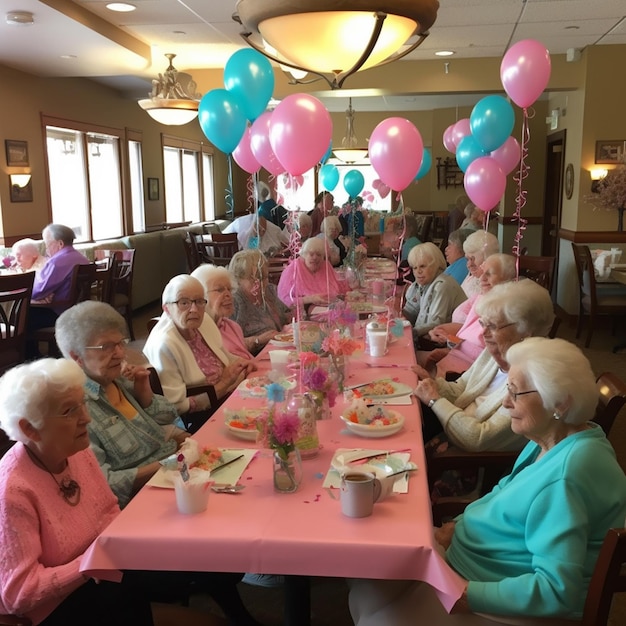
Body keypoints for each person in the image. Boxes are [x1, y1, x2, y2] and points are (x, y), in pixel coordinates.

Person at [349, 337, 626, 626]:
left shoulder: (565, 477)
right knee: (366, 581)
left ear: (560, 402)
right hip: (472, 562)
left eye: (516, 393)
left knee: (375, 610)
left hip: (500, 598)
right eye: (508, 388)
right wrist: (455, 526)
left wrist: (468, 595)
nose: (506, 402)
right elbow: (502, 492)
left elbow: (556, 591)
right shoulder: (555, 438)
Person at [0, 358, 266, 626]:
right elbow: (20, 593)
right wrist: (92, 562)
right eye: (69, 410)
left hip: (108, 570)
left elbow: (108, 510)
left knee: (205, 553)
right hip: (64, 604)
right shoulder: (13, 490)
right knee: (177, 571)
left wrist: (136, 544)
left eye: (83, 403)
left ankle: (239, 615)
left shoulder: (77, 451)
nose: (87, 418)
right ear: (29, 428)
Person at [55, 301, 188, 508]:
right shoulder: (77, 410)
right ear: (76, 356)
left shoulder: (120, 380)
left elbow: (168, 417)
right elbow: (105, 483)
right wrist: (171, 463)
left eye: (120, 343)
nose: (119, 353)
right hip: (144, 500)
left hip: (175, 475)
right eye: (106, 346)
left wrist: (144, 390)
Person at [413, 279, 555, 450]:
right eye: (483, 323)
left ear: (525, 332)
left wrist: (435, 400)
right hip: (448, 431)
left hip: (470, 463)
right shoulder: (495, 352)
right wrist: (432, 383)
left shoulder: (532, 382)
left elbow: (479, 438)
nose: (483, 333)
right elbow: (462, 389)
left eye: (493, 326)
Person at [143, 275, 253, 415]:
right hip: (207, 416)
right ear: (167, 309)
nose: (194, 309)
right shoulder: (164, 345)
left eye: (199, 301)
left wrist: (241, 363)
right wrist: (223, 384)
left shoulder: (204, 321)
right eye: (184, 303)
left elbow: (224, 356)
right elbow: (177, 406)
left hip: (232, 396)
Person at [423, 253, 517, 377]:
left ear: (508, 279)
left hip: (466, 375)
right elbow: (467, 331)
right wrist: (446, 338)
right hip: (451, 360)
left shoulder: (508, 312)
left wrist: (450, 346)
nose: (482, 278)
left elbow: (489, 358)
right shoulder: (481, 297)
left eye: (489, 274)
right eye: (482, 272)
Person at [28, 223, 90, 330]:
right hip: (79, 310)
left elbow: (38, 292)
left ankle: (29, 347)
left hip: (60, 313)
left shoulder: (56, 262)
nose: (46, 249)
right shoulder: (83, 259)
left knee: (21, 315)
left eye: (47, 244)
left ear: (60, 243)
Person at [230, 249, 291, 355]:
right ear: (238, 279)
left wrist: (292, 319)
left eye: (263, 278)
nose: (260, 283)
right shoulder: (235, 302)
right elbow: (230, 345)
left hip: (279, 350)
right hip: (254, 356)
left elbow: (287, 314)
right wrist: (258, 339)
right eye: (253, 279)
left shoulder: (270, 291)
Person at [402, 242, 467, 343]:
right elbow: (411, 311)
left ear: (436, 265)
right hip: (426, 339)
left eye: (423, 266)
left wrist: (409, 332)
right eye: (415, 268)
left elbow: (436, 323)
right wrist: (396, 318)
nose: (418, 271)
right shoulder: (422, 284)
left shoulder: (442, 285)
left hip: (445, 344)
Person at [191, 264, 254, 361]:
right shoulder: (196, 334)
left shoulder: (232, 327)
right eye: (219, 290)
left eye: (229, 289)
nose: (228, 295)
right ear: (201, 296)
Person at [277, 237, 345, 310]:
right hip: (302, 312)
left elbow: (339, 288)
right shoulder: (293, 269)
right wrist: (310, 299)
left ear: (323, 257)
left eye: (319, 255)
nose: (315, 258)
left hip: (330, 307)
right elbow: (284, 299)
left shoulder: (326, 266)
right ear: (304, 255)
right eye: (311, 254)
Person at [460, 230, 499, 298]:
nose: (469, 265)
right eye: (467, 259)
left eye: (472, 259)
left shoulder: (491, 285)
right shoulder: (471, 278)